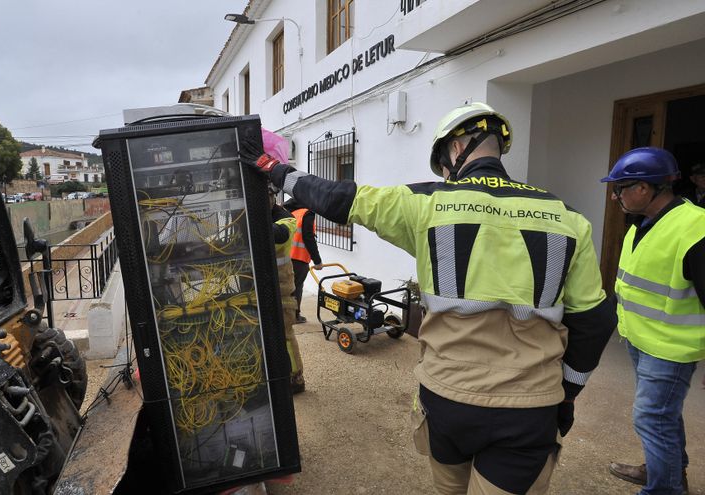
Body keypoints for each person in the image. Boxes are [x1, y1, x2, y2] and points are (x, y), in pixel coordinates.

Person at [246, 102, 616, 494]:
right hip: (529, 410)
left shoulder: (426, 204)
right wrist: (567, 393)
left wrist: (274, 169)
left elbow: (338, 198)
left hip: (446, 400)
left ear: (455, 150)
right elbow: (595, 321)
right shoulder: (568, 218)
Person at [601, 147, 705, 495]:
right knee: (663, 415)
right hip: (641, 340)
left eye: (620, 188)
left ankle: (665, 488)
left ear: (644, 188)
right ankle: (670, 473)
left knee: (651, 417)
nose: (615, 196)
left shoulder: (695, 227)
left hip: (671, 349)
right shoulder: (643, 224)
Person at [270, 186, 306, 394]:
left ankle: (296, 378)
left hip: (282, 291)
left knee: (285, 334)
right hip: (261, 287)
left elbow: (280, 235)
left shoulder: (286, 218)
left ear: (272, 197)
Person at [282, 197, 323, 323]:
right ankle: (294, 316)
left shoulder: (286, 211)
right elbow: (308, 237)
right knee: (296, 287)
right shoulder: (307, 213)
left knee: (286, 286)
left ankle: (283, 314)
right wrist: (317, 261)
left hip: (284, 255)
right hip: (299, 258)